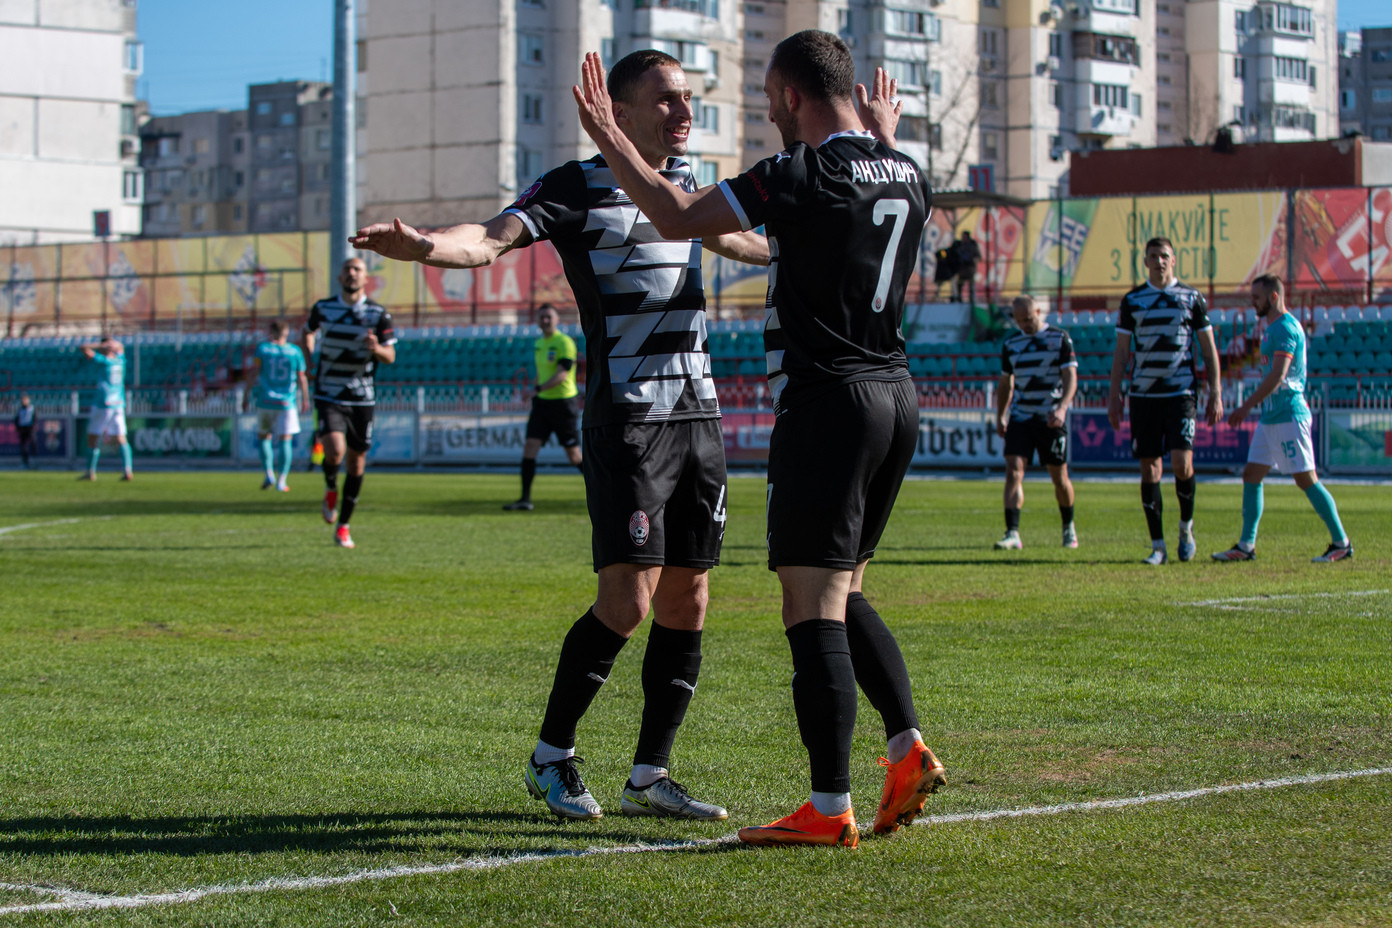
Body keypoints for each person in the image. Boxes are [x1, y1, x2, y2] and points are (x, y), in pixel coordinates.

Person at [353, 50, 769, 823]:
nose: (684, 112)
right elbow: (488, 239)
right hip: (630, 420)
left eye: (688, 98)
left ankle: (650, 776)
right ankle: (550, 756)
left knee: (690, 597)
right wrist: (426, 246)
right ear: (618, 111)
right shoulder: (575, 186)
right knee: (629, 599)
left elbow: (748, 243)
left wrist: (810, 241)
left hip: (698, 417)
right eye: (667, 100)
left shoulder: (685, 185)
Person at [574, 31, 945, 848]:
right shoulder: (907, 170)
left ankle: (828, 806)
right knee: (845, 590)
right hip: (896, 395)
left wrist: (608, 136)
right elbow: (869, 174)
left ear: (789, 97)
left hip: (828, 403)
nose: (769, 114)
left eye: (770, 100)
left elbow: (674, 214)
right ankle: (906, 744)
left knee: (810, 605)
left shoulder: (796, 172)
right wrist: (883, 136)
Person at [1212, 274, 1352, 563]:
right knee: (1251, 474)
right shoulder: (1272, 328)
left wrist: (1246, 406)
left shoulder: (1286, 328)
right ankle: (1246, 546)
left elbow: (1278, 375)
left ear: (1273, 297)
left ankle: (1341, 543)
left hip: (1289, 414)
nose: (1253, 302)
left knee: (1306, 479)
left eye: (1257, 297)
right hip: (1272, 417)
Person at [1107, 236, 1223, 565]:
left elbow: (1208, 349)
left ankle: (1186, 528)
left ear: (1174, 260)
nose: (1159, 261)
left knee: (1182, 464)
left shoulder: (1191, 297)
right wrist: (1114, 395)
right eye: (1153, 256)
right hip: (1143, 396)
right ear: (1145, 261)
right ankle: (1158, 546)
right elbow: (1121, 353)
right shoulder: (1132, 300)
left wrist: (1215, 391)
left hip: (1180, 393)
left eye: (1164, 256)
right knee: (1150, 469)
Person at [302, 257, 397, 549]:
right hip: (329, 392)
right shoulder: (323, 308)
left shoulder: (378, 314)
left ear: (366, 278)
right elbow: (307, 332)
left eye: (357, 270)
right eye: (347, 269)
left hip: (362, 397)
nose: (352, 273)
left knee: (356, 462)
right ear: (339, 277)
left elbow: (390, 356)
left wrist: (376, 348)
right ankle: (331, 486)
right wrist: (309, 361)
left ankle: (343, 525)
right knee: (334, 452)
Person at [994, 295, 1078, 550]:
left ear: (1038, 312)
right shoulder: (1012, 344)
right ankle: (1012, 533)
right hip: (1021, 417)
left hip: (1050, 418)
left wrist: (1062, 408)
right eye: (1020, 321)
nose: (1025, 325)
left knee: (1059, 477)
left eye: (1028, 319)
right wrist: (1001, 415)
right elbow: (1006, 383)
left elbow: (1070, 376)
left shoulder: (1059, 338)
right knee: (1013, 470)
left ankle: (1068, 526)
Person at [502, 303, 584, 511]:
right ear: (537, 320)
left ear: (557, 319)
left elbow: (562, 374)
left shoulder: (564, 342)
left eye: (549, 317)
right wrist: (535, 390)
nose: (545, 320)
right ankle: (525, 499)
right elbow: (542, 372)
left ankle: (603, 492)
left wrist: (536, 389)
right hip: (542, 403)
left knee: (574, 455)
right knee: (530, 446)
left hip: (563, 404)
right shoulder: (539, 343)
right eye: (542, 317)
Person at [244, 319, 310, 492]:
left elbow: (253, 373)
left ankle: (268, 474)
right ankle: (282, 481)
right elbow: (302, 377)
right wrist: (305, 399)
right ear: (286, 332)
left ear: (271, 331)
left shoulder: (263, 349)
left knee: (264, 437)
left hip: (265, 401)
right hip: (287, 403)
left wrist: (245, 395)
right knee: (285, 440)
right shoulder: (295, 351)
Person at [78, 335, 133, 481]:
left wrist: (99, 346)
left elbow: (83, 348)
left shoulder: (104, 361)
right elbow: (121, 347)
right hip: (118, 403)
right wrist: (113, 344)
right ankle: (127, 470)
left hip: (104, 403)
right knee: (121, 438)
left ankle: (90, 472)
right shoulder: (120, 360)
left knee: (93, 437)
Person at [951, 231, 981, 305]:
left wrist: (972, 260)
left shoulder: (972, 247)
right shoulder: (960, 246)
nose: (963, 238)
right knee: (959, 285)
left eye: (964, 237)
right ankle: (959, 299)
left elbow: (978, 257)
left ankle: (971, 300)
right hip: (962, 270)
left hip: (970, 270)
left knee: (971, 286)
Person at [14, 393, 37, 469]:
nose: (24, 401)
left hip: (29, 428)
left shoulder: (32, 408)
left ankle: (35, 460)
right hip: (22, 429)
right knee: (23, 446)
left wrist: (33, 426)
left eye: (26, 399)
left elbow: (35, 418)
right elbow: (16, 419)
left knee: (33, 443)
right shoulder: (20, 409)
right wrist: (18, 427)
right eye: (23, 399)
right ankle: (25, 462)